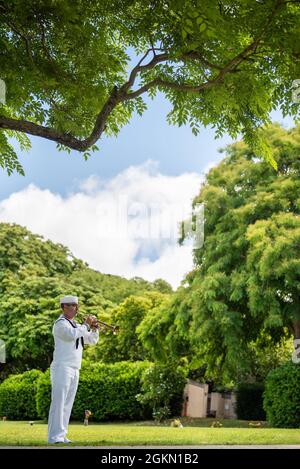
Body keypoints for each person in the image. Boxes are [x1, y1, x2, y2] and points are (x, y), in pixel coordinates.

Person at [47, 295, 99, 444]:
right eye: (70, 305)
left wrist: (94, 329)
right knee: (59, 403)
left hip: (75, 368)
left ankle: (62, 435)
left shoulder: (77, 325)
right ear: (63, 307)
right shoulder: (60, 324)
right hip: (62, 367)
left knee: (67, 404)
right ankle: (53, 438)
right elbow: (71, 336)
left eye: (75, 306)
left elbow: (91, 340)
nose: (74, 308)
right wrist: (86, 325)